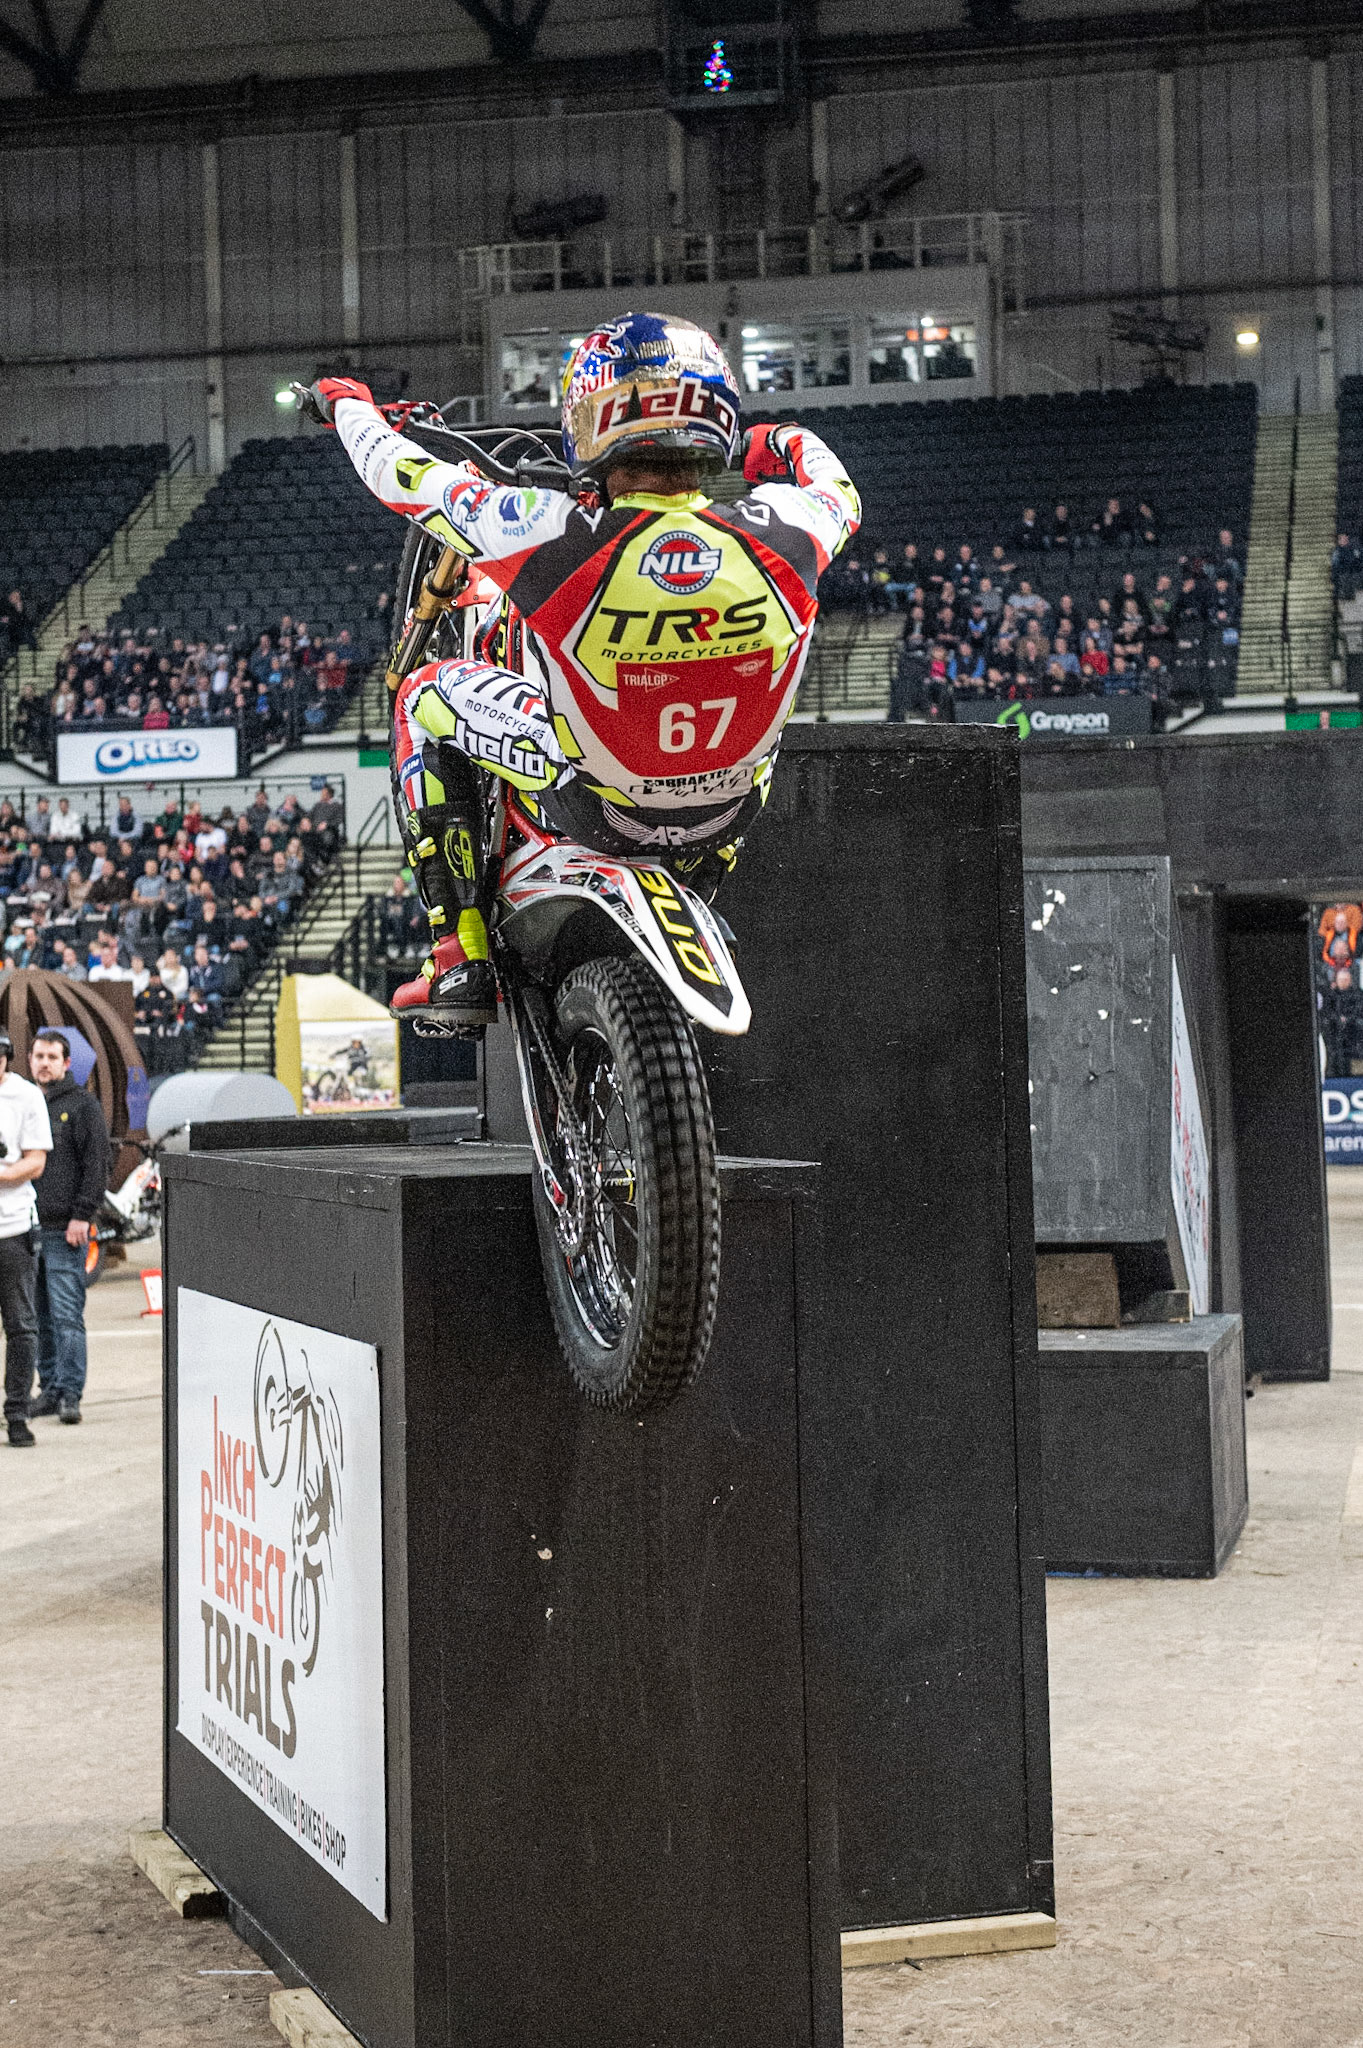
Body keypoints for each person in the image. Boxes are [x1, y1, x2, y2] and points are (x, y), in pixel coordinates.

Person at [302, 309, 861, 1024]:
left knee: (419, 695)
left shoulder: (547, 532)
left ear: (588, 425)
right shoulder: (792, 525)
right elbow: (834, 480)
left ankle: (457, 955)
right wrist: (776, 440)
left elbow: (396, 471)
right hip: (725, 814)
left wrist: (350, 405)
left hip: (593, 804)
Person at [26, 1030, 109, 1426]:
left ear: (66, 1063)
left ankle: (71, 1393)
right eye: (38, 1056)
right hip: (27, 1230)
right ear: (30, 1060)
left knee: (66, 1315)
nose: (44, 1063)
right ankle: (50, 1389)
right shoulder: (24, 1103)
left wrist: (83, 1214)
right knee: (39, 1317)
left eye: (52, 1057)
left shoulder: (82, 1106)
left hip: (66, 1230)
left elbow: (97, 1165)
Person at [0, 1031, 51, 1447]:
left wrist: (3, 1172)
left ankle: (17, 1411)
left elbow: (35, 1161)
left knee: (21, 1326)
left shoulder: (26, 1097)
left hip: (12, 1227)